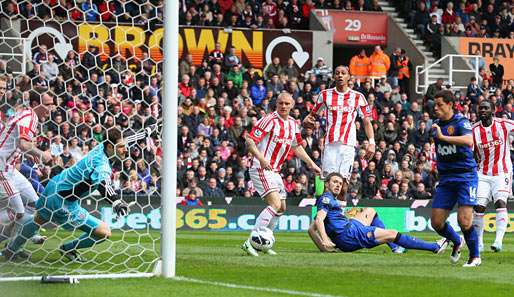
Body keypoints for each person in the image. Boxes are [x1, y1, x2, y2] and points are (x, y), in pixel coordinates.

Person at [3, 129, 131, 261]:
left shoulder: (102, 147)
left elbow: (127, 140)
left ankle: (11, 249)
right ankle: (68, 248)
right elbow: (104, 185)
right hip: (63, 200)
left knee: (38, 219)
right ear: (110, 146)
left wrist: (148, 131)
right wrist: (116, 202)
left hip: (56, 185)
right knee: (104, 232)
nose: (125, 150)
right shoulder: (101, 165)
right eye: (121, 147)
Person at [241, 93, 321, 256]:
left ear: (292, 105)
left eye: (287, 103)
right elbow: (250, 141)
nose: (283, 106)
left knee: (281, 207)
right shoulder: (269, 120)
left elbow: (297, 147)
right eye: (280, 103)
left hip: (275, 171)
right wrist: (262, 159)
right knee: (275, 204)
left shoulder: (293, 124)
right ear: (276, 104)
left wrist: (312, 164)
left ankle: (264, 242)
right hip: (260, 167)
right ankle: (251, 241)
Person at [308, 172, 448, 254]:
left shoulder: (329, 199)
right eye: (335, 182)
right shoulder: (326, 198)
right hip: (348, 235)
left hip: (350, 227)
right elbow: (319, 220)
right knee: (392, 234)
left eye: (340, 183)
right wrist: (325, 241)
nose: (338, 185)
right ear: (327, 184)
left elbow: (310, 229)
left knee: (371, 211)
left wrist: (324, 249)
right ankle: (435, 247)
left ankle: (394, 248)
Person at [303, 66, 375, 200]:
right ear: (334, 77)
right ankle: (325, 216)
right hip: (330, 145)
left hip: (348, 145)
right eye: (337, 73)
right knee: (328, 184)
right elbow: (312, 116)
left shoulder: (358, 97)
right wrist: (308, 120)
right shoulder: (325, 95)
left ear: (349, 76)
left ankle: (339, 216)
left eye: (343, 73)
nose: (340, 76)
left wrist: (371, 142)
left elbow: (366, 121)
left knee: (343, 184)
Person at [0, 80, 54, 255]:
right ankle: (12, 247)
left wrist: (34, 157)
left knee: (34, 204)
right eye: (47, 104)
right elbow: (23, 144)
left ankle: (13, 247)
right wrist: (42, 155)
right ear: (34, 104)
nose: (51, 108)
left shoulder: (28, 114)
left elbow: (19, 143)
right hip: (1, 168)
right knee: (18, 213)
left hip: (10, 169)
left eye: (52, 104)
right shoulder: (30, 117)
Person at [431, 90, 480, 267]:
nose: (435, 108)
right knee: (436, 222)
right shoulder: (436, 124)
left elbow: (468, 141)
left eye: (439, 105)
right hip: (446, 178)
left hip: (465, 176)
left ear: (450, 105)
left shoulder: (461, 121)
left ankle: (475, 257)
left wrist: (444, 137)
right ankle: (457, 241)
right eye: (434, 105)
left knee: (464, 221)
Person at [471, 100, 512, 252]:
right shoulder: (473, 130)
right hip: (482, 173)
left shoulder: (504, 124)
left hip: (502, 172)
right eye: (480, 108)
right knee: (478, 208)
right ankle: (479, 243)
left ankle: (498, 241)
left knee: (500, 203)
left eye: (486, 108)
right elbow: (472, 152)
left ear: (493, 110)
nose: (483, 110)